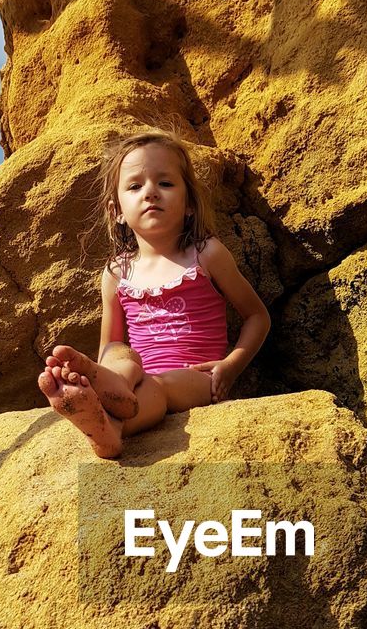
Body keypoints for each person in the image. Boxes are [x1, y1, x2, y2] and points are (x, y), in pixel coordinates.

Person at [38, 128, 271, 458]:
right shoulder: (117, 272)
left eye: (165, 183)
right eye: (135, 186)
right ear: (116, 210)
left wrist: (230, 366)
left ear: (189, 203)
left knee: (156, 388)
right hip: (133, 379)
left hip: (193, 378)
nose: (150, 192)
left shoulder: (206, 254)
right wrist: (110, 367)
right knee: (122, 354)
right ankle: (101, 397)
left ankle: (109, 426)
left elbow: (257, 316)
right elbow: (110, 344)